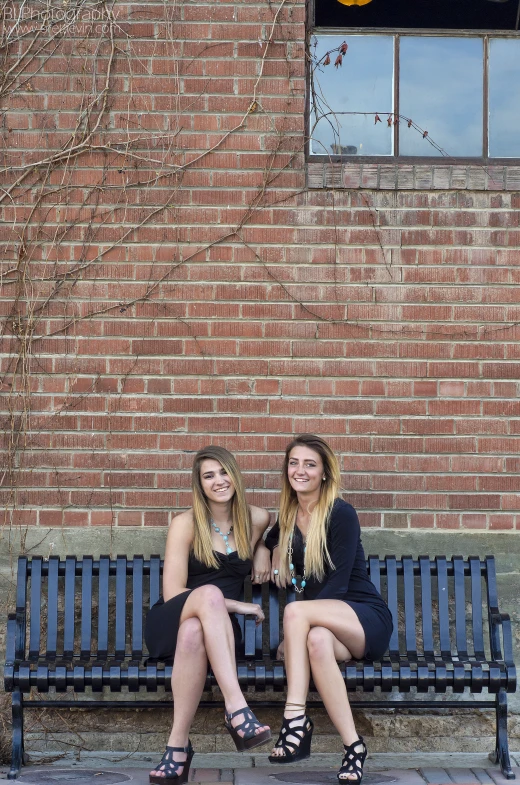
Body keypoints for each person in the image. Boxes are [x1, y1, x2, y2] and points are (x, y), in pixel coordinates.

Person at [266, 434, 393, 783]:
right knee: (317, 642)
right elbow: (270, 535)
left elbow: (336, 587)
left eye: (310, 464)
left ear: (323, 472)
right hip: (327, 625)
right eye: (294, 463)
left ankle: (294, 718)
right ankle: (354, 747)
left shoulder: (341, 512)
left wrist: (291, 635)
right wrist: (270, 549)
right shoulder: (290, 514)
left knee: (295, 613)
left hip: (363, 616)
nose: (300, 470)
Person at [145, 445, 272, 784]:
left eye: (224, 472)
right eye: (209, 475)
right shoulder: (184, 525)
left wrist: (262, 549)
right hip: (172, 617)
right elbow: (172, 592)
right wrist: (238, 604)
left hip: (218, 631)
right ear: (199, 485)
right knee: (204, 605)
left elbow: (276, 532)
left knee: (194, 633)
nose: (219, 481)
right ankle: (237, 708)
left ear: (235, 475)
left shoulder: (257, 518)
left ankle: (177, 747)